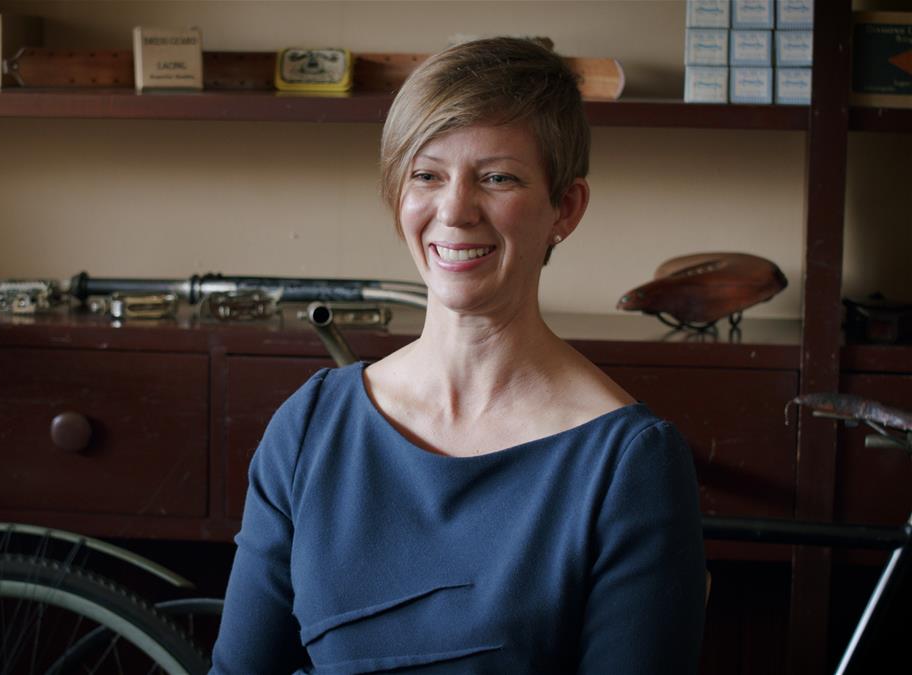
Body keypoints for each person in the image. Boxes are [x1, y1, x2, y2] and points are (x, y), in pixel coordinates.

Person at [210, 37, 706, 674]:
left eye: (497, 177)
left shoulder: (628, 465)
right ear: (398, 195)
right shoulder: (311, 427)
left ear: (567, 208)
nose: (454, 209)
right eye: (427, 175)